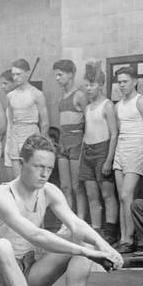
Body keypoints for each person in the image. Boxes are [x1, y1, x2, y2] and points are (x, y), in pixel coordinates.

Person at [0, 134, 123, 286]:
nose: (44, 174)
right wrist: (88, 254)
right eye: (38, 167)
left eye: (49, 168)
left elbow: (76, 224)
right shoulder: (1, 196)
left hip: (26, 274)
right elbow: (35, 235)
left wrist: (105, 247)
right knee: (2, 246)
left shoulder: (49, 190)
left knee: (84, 238)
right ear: (22, 163)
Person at [112, 67, 143, 252]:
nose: (122, 85)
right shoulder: (118, 105)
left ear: (135, 81)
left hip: (136, 147)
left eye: (125, 81)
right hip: (120, 149)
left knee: (126, 195)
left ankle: (129, 239)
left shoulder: (141, 101)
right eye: (119, 82)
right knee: (122, 197)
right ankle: (124, 237)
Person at [79, 65, 119, 243]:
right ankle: (96, 230)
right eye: (86, 85)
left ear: (101, 84)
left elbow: (114, 134)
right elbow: (86, 133)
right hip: (87, 152)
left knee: (107, 195)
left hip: (103, 152)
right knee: (91, 195)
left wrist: (109, 160)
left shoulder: (108, 105)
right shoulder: (87, 108)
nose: (88, 88)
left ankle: (110, 232)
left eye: (92, 85)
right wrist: (82, 156)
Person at [54, 59, 87, 218]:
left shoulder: (79, 94)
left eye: (60, 75)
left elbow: (90, 121)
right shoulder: (61, 98)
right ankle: (68, 221)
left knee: (77, 186)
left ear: (71, 74)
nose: (57, 78)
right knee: (65, 187)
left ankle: (80, 221)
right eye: (56, 75)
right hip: (63, 143)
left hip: (77, 143)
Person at [4, 59, 48, 175]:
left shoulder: (36, 94)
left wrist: (41, 144)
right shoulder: (10, 96)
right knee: (16, 177)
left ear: (27, 73)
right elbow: (11, 121)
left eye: (18, 74)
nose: (15, 77)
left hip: (31, 134)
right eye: (13, 74)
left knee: (32, 175)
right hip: (15, 136)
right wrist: (10, 141)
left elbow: (45, 122)